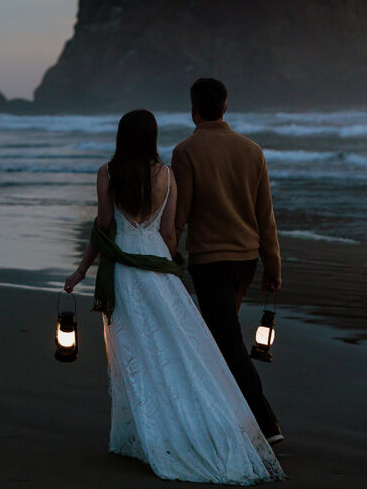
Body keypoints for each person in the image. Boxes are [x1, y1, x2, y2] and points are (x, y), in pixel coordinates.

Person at [64, 109, 284, 484]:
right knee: (176, 350)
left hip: (124, 274)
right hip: (158, 270)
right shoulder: (167, 175)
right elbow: (169, 235)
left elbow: (103, 228)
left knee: (136, 355)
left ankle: (151, 435)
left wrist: (83, 268)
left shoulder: (108, 172)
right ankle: (195, 426)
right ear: (152, 136)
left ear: (122, 135)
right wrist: (170, 273)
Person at [171, 78, 283, 443]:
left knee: (227, 343)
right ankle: (227, 420)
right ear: (225, 106)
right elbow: (265, 214)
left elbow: (180, 213)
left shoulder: (186, 151)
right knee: (224, 338)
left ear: (194, 110)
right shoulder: (252, 150)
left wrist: (166, 253)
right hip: (246, 260)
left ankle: (267, 426)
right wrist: (273, 265)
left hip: (209, 261)